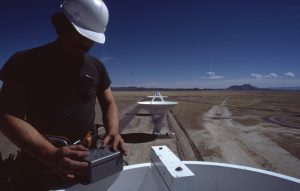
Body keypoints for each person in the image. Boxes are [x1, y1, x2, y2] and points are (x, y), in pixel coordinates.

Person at [0, 0, 127, 190]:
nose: (85, 42)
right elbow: (6, 114)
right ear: (61, 25)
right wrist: (49, 154)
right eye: (80, 34)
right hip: (39, 164)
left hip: (88, 158)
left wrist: (113, 132)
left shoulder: (97, 67)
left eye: (90, 38)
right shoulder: (24, 62)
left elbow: (109, 102)